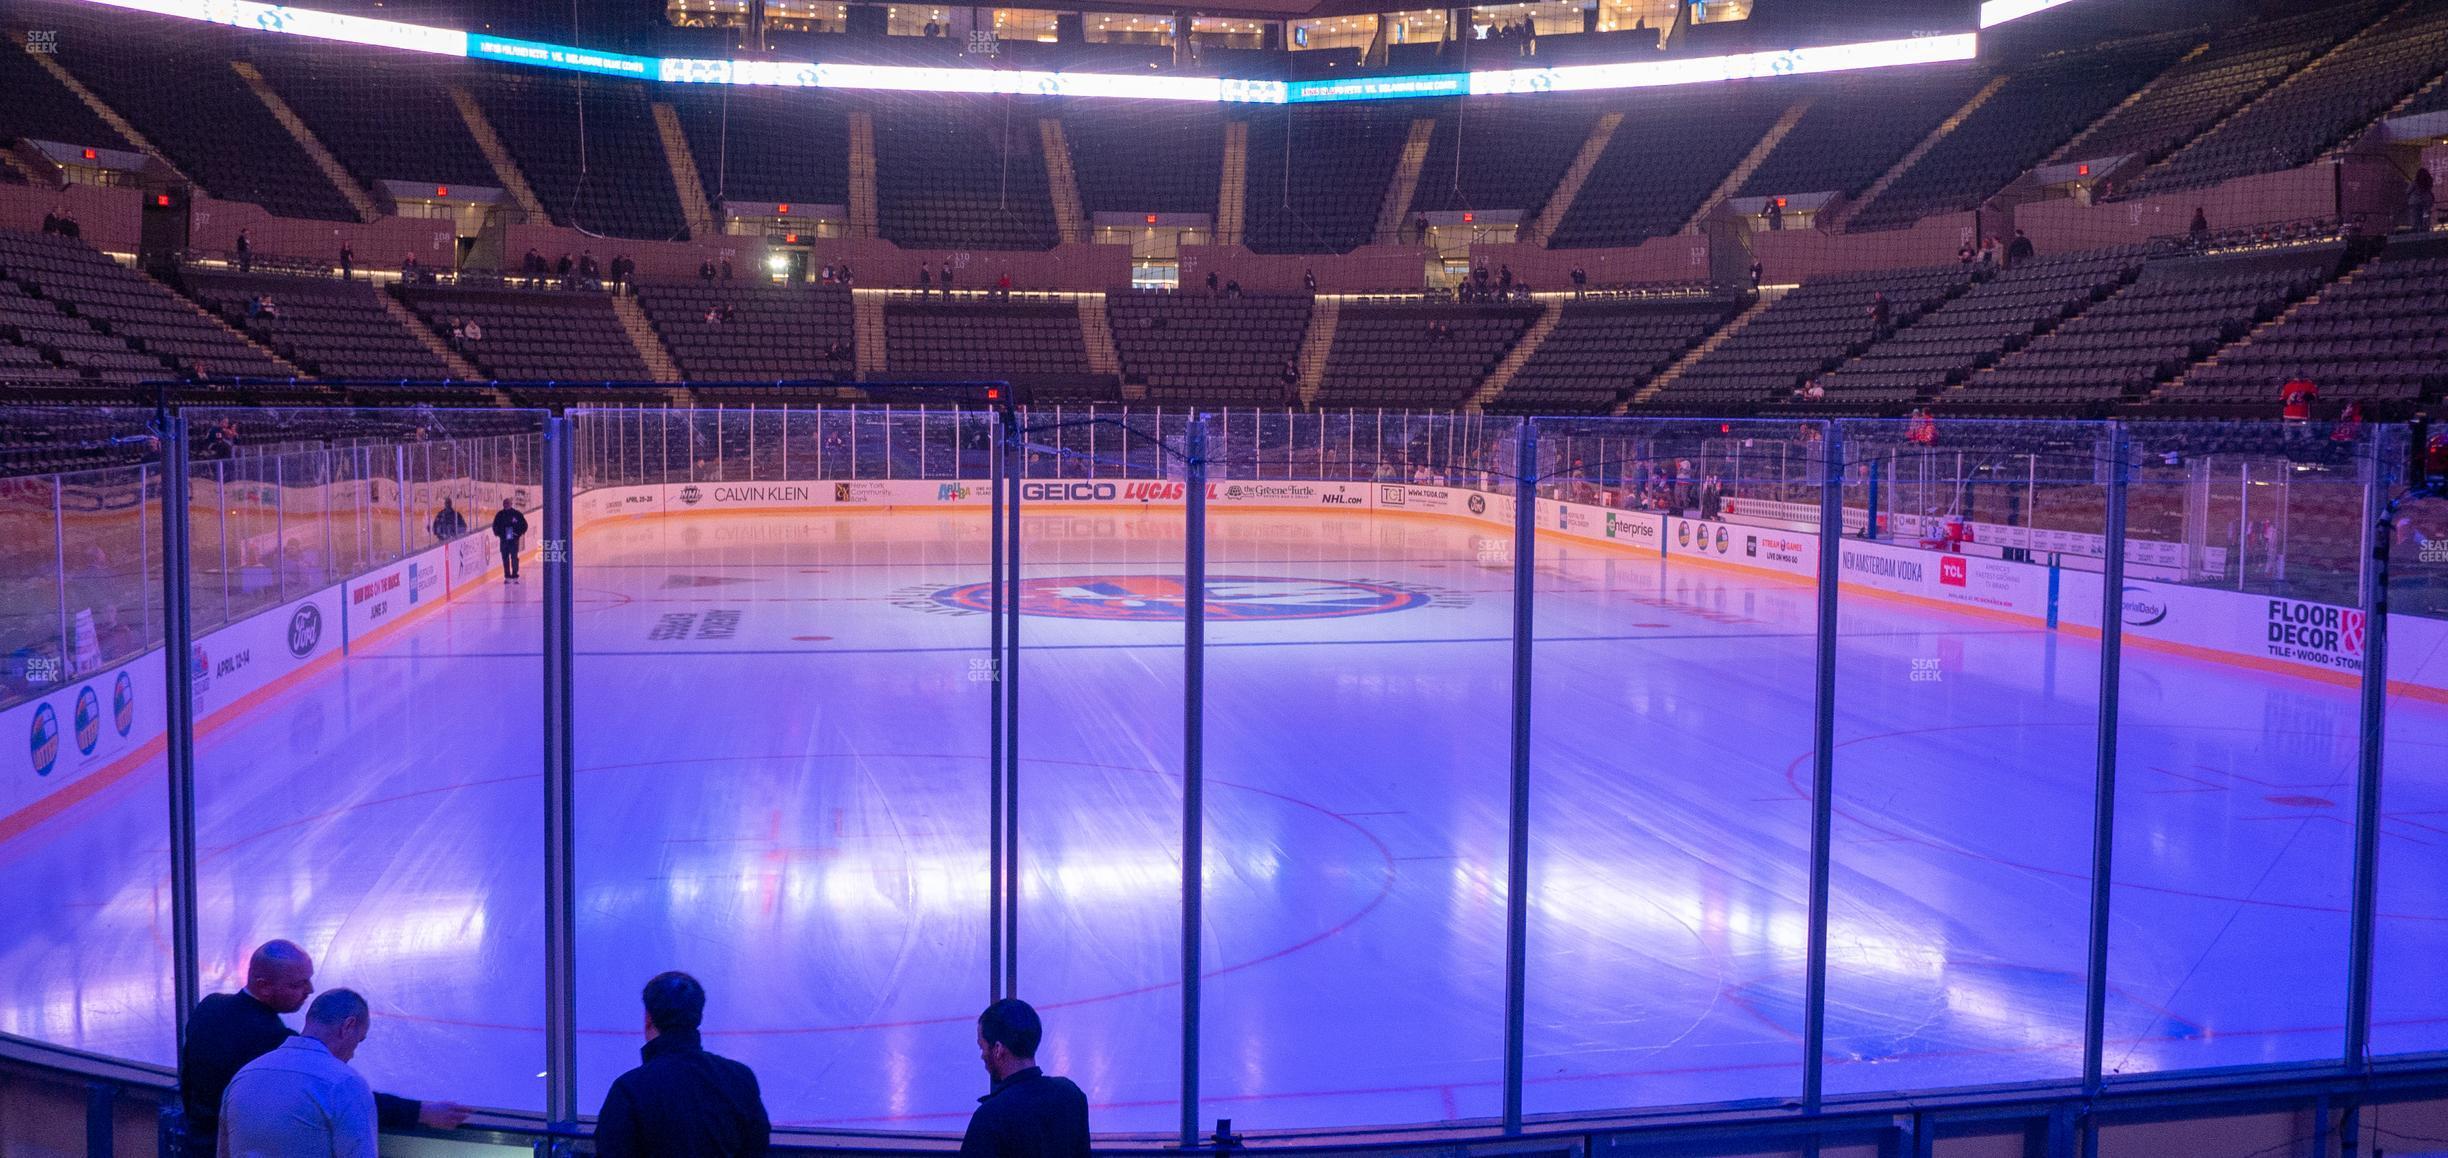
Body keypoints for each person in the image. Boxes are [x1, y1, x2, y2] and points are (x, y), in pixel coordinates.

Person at [179, 941, 466, 1158]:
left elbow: (188, 1080)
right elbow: (338, 1093)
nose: (310, 989)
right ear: (263, 986)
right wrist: (421, 1112)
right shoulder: (274, 1044)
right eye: (297, 984)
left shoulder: (210, 1007)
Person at [594, 972, 769, 1158]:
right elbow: (757, 1148)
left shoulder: (629, 1089)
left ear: (648, 1018)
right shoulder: (740, 1079)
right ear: (699, 1016)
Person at [216, 989, 379, 1158]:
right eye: (359, 1040)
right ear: (348, 1026)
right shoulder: (345, 1084)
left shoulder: (244, 1076)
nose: (353, 1053)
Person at [960, 999, 1089, 1158]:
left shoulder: (990, 1116)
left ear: (998, 1049)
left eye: (982, 1047)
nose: (982, 1056)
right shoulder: (1071, 1095)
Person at [493, 498, 528, 582]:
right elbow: (495, 526)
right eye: (505, 503)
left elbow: (524, 525)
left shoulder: (517, 514)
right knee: (505, 557)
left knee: (514, 557)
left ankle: (515, 573)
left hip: (513, 540)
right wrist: (499, 534)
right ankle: (507, 575)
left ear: (511, 504)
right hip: (504, 540)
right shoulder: (500, 515)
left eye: (508, 503)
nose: (506, 505)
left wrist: (518, 534)